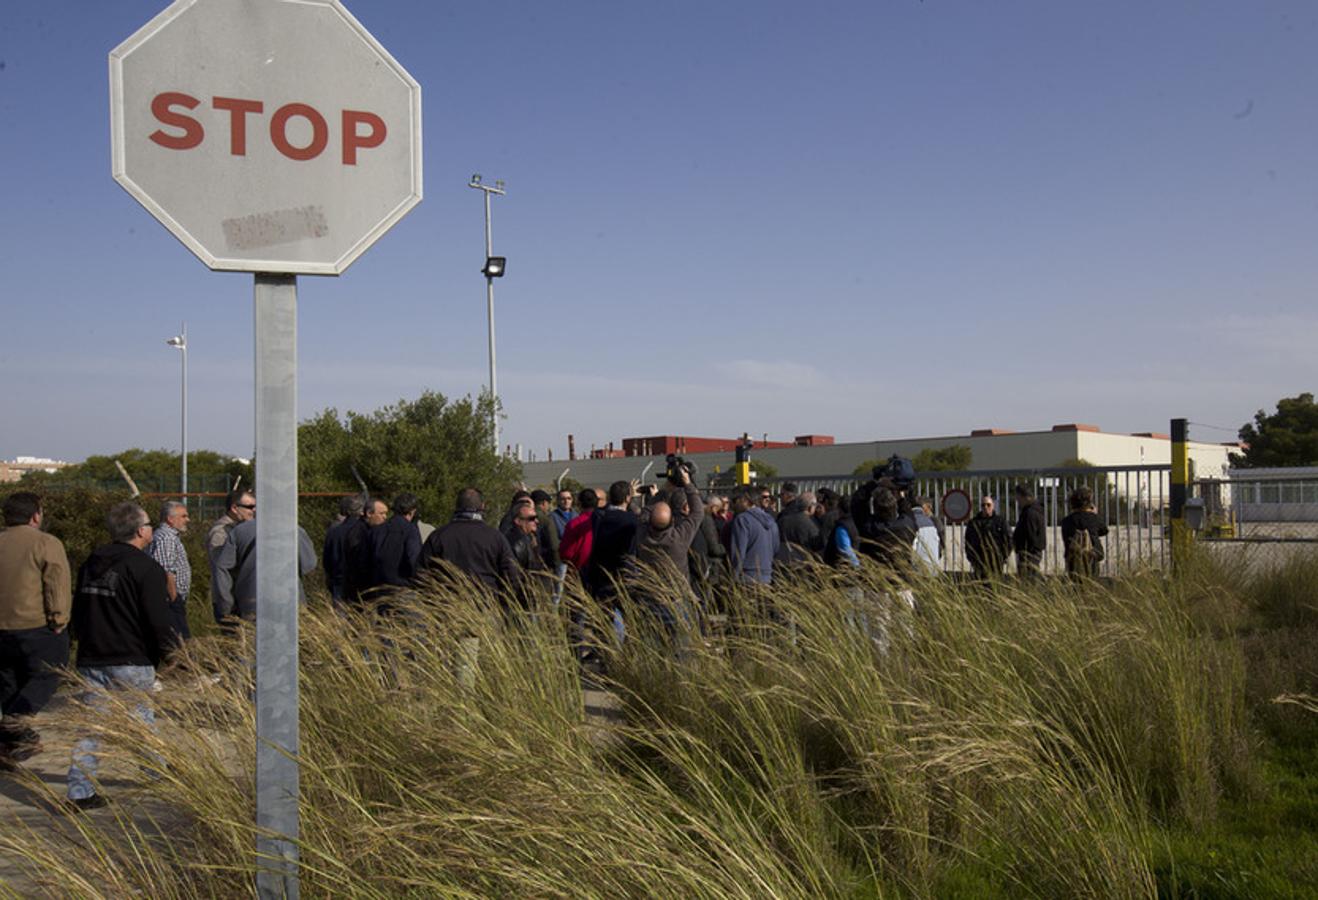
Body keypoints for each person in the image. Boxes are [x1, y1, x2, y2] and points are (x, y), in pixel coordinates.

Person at [65, 501, 174, 811]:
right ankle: (155, 771)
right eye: (150, 524)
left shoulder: (93, 562)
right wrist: (172, 654)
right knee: (141, 719)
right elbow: (157, 618)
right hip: (131, 657)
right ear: (141, 531)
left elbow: (80, 609)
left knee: (90, 726)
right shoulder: (145, 568)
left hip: (93, 655)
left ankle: (80, 790)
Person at [0, 491, 71, 762]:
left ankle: (10, 746)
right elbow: (56, 583)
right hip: (34, 624)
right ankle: (13, 723)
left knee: (9, 683)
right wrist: (59, 618)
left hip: (2, 628)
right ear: (36, 515)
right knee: (51, 673)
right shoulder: (45, 543)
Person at [418, 488, 521, 599]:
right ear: (482, 506)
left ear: (456, 507)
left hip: (448, 605)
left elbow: (421, 573)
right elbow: (512, 575)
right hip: (487, 604)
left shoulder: (438, 536)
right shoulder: (496, 538)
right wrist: (503, 602)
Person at [212, 516, 317, 622]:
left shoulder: (239, 530)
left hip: (251, 603)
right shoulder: (296, 530)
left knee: (252, 637)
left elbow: (222, 568)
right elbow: (309, 564)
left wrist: (226, 606)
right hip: (290, 602)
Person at [146, 500, 192, 644]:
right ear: (170, 519)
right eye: (183, 516)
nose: (188, 520)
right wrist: (174, 599)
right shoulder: (166, 538)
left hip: (171, 601)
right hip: (169, 603)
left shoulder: (168, 537)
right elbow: (164, 571)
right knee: (179, 647)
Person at [206, 489, 254, 617]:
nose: (253, 510)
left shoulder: (240, 529)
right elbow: (220, 569)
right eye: (249, 507)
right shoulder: (220, 533)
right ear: (234, 508)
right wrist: (227, 604)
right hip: (229, 602)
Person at [370, 493, 422, 591]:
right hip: (403, 586)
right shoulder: (410, 530)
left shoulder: (378, 529)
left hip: (379, 587)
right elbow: (414, 560)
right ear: (412, 512)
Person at [729, 488, 779, 585]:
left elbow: (739, 552)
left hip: (747, 575)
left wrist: (734, 576)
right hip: (766, 575)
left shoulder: (742, 520)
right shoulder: (771, 520)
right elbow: (775, 548)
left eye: (736, 500)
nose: (734, 504)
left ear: (745, 500)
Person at [322, 495, 366, 605]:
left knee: (341, 616)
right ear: (361, 511)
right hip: (359, 582)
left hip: (338, 580)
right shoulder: (365, 530)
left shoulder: (334, 532)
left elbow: (326, 560)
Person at [1061, 486, 1108, 580]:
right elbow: (1104, 530)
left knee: (1075, 583)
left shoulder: (1067, 521)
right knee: (1092, 581)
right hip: (1092, 555)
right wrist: (1094, 513)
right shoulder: (1093, 518)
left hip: (1073, 557)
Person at [965, 495, 1011, 580]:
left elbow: (1008, 540)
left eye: (988, 505)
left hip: (996, 562)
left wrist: (1002, 556)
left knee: (995, 587)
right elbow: (968, 542)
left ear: (993, 506)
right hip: (979, 561)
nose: (985, 507)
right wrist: (972, 558)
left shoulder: (1001, 522)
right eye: (983, 505)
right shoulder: (973, 523)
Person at [776, 482, 820, 562]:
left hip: (783, 562)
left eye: (781, 495)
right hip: (805, 563)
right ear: (810, 507)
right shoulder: (811, 523)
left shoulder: (783, 518)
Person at [1012, 484, 1047, 578]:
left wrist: (1022, 548)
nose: (1017, 501)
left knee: (1028, 580)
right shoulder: (1034, 510)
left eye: (1018, 497)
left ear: (1025, 497)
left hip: (1028, 555)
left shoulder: (1030, 513)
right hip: (1031, 554)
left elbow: (1030, 535)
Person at [909, 495, 942, 575]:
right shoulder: (931, 522)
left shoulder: (912, 521)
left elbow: (912, 549)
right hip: (933, 569)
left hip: (918, 571)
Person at [530, 490, 560, 570]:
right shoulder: (546, 520)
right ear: (544, 503)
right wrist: (557, 563)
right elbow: (554, 545)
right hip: (545, 562)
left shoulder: (525, 516)